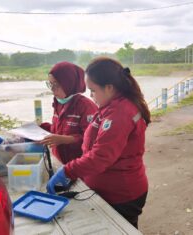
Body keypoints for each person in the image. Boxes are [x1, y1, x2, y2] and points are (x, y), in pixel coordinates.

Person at [46, 57, 151, 228]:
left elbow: (100, 157)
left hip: (121, 194)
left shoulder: (120, 113)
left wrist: (67, 171)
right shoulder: (111, 106)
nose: (91, 96)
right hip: (107, 189)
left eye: (93, 90)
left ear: (109, 87)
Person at [39, 61, 97, 164]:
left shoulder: (86, 106)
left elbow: (92, 139)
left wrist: (65, 139)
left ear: (68, 84)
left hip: (78, 165)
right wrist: (40, 127)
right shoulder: (58, 102)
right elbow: (58, 129)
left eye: (56, 85)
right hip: (60, 162)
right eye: (50, 84)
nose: (52, 89)